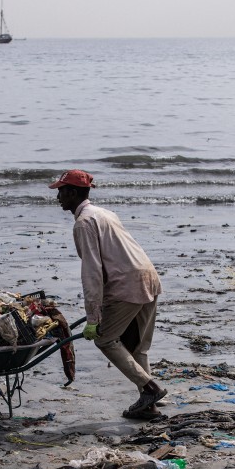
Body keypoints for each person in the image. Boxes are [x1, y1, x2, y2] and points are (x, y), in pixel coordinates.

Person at [50, 169, 168, 419]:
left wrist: (93, 318)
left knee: (105, 340)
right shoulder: (105, 213)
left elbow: (92, 271)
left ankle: (150, 388)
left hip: (127, 285)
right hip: (148, 277)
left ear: (72, 193)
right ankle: (149, 405)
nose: (58, 197)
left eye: (61, 191)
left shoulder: (84, 223)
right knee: (138, 347)